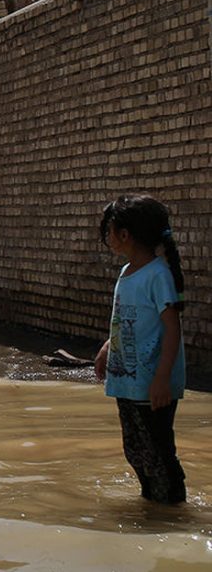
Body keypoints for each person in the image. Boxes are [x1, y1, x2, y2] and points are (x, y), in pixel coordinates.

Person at [95, 194, 187, 504]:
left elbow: (172, 328)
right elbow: (124, 319)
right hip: (128, 381)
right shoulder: (127, 273)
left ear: (125, 235)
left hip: (152, 384)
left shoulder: (158, 275)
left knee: (158, 452)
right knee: (135, 449)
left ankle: (172, 508)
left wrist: (162, 378)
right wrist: (109, 347)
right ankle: (151, 501)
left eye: (109, 231)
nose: (107, 238)